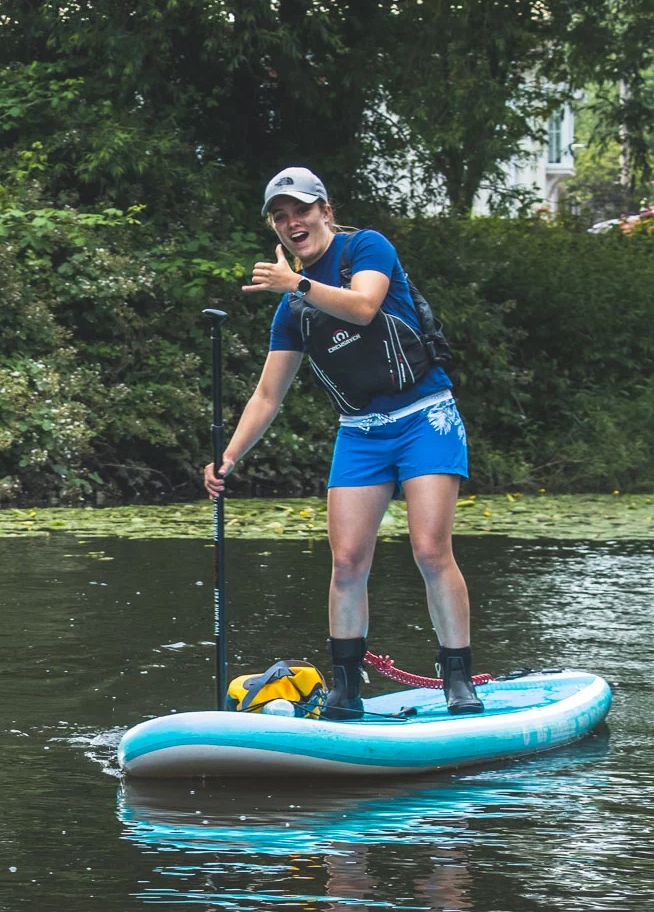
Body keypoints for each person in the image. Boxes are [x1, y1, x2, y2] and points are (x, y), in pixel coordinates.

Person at [203, 166, 483, 718]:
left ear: (325, 211)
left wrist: (297, 284)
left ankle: (457, 676)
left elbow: (363, 307)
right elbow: (266, 395)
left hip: (424, 414)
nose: (292, 223)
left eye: (301, 211)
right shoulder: (292, 312)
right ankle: (346, 687)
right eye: (280, 217)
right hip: (361, 432)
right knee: (348, 560)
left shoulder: (367, 249)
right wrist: (229, 456)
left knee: (430, 549)